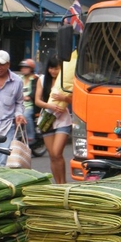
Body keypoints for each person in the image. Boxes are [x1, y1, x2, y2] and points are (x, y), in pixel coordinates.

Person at [34, 55, 72, 184]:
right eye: (51, 68)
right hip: (47, 119)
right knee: (52, 156)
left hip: (63, 119)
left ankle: (63, 183)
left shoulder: (66, 81)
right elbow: (37, 100)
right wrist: (49, 105)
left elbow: (76, 100)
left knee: (57, 153)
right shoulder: (42, 79)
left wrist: (64, 98)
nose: (53, 71)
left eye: (56, 68)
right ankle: (58, 184)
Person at [18, 59, 38, 147]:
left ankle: (31, 136)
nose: (23, 69)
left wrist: (29, 97)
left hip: (30, 105)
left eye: (26, 67)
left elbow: (36, 91)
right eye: (22, 67)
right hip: (19, 105)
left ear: (31, 68)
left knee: (26, 115)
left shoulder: (35, 79)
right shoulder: (19, 79)